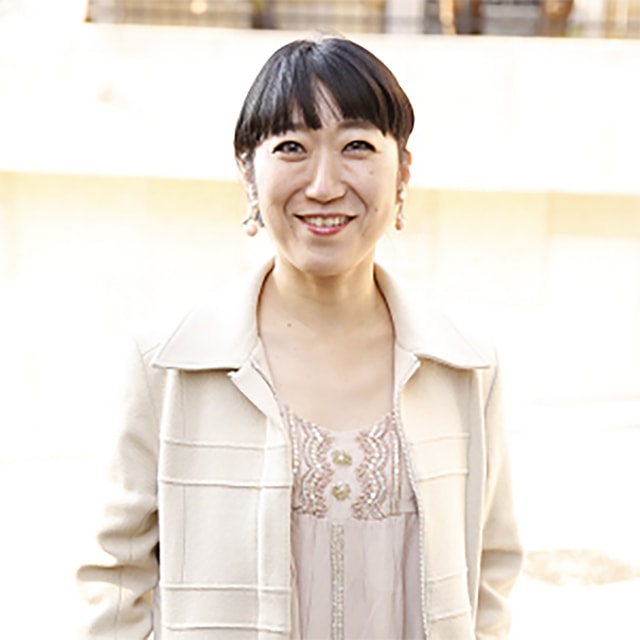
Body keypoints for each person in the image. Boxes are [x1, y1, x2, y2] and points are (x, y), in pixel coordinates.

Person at [77, 36, 522, 640]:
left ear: (402, 172)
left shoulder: (465, 368)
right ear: (248, 172)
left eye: (357, 146)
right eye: (291, 147)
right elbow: (114, 581)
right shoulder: (166, 366)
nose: (324, 185)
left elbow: (489, 576)